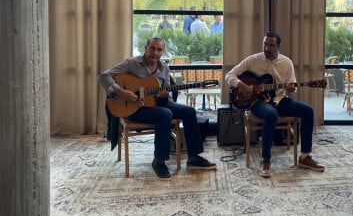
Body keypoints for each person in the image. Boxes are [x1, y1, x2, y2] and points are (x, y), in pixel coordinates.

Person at [98, 37, 217, 179]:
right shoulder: (131, 63)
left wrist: (164, 96)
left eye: (159, 50)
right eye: (152, 48)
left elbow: (167, 99)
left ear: (162, 52)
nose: (155, 53)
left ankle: (193, 157)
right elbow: (104, 76)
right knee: (165, 114)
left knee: (189, 111)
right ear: (145, 48)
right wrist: (121, 92)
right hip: (133, 108)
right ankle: (159, 161)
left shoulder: (164, 68)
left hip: (156, 105)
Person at [225, 32, 325, 178]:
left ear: (278, 46)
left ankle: (304, 156)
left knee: (308, 110)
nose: (267, 47)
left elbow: (291, 88)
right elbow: (229, 75)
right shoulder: (253, 60)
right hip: (257, 102)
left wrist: (291, 89)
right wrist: (241, 84)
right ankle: (266, 160)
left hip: (279, 99)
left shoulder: (286, 63)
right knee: (271, 114)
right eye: (265, 44)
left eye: (271, 45)